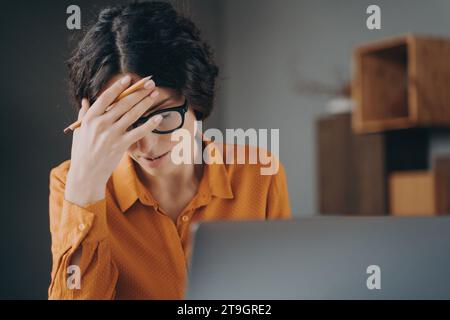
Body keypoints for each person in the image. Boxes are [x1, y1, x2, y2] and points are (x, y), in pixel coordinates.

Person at [48, 1, 291, 299]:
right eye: (123, 122)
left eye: (162, 116)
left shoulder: (259, 173)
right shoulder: (70, 183)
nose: (145, 145)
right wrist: (85, 190)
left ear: (195, 99)